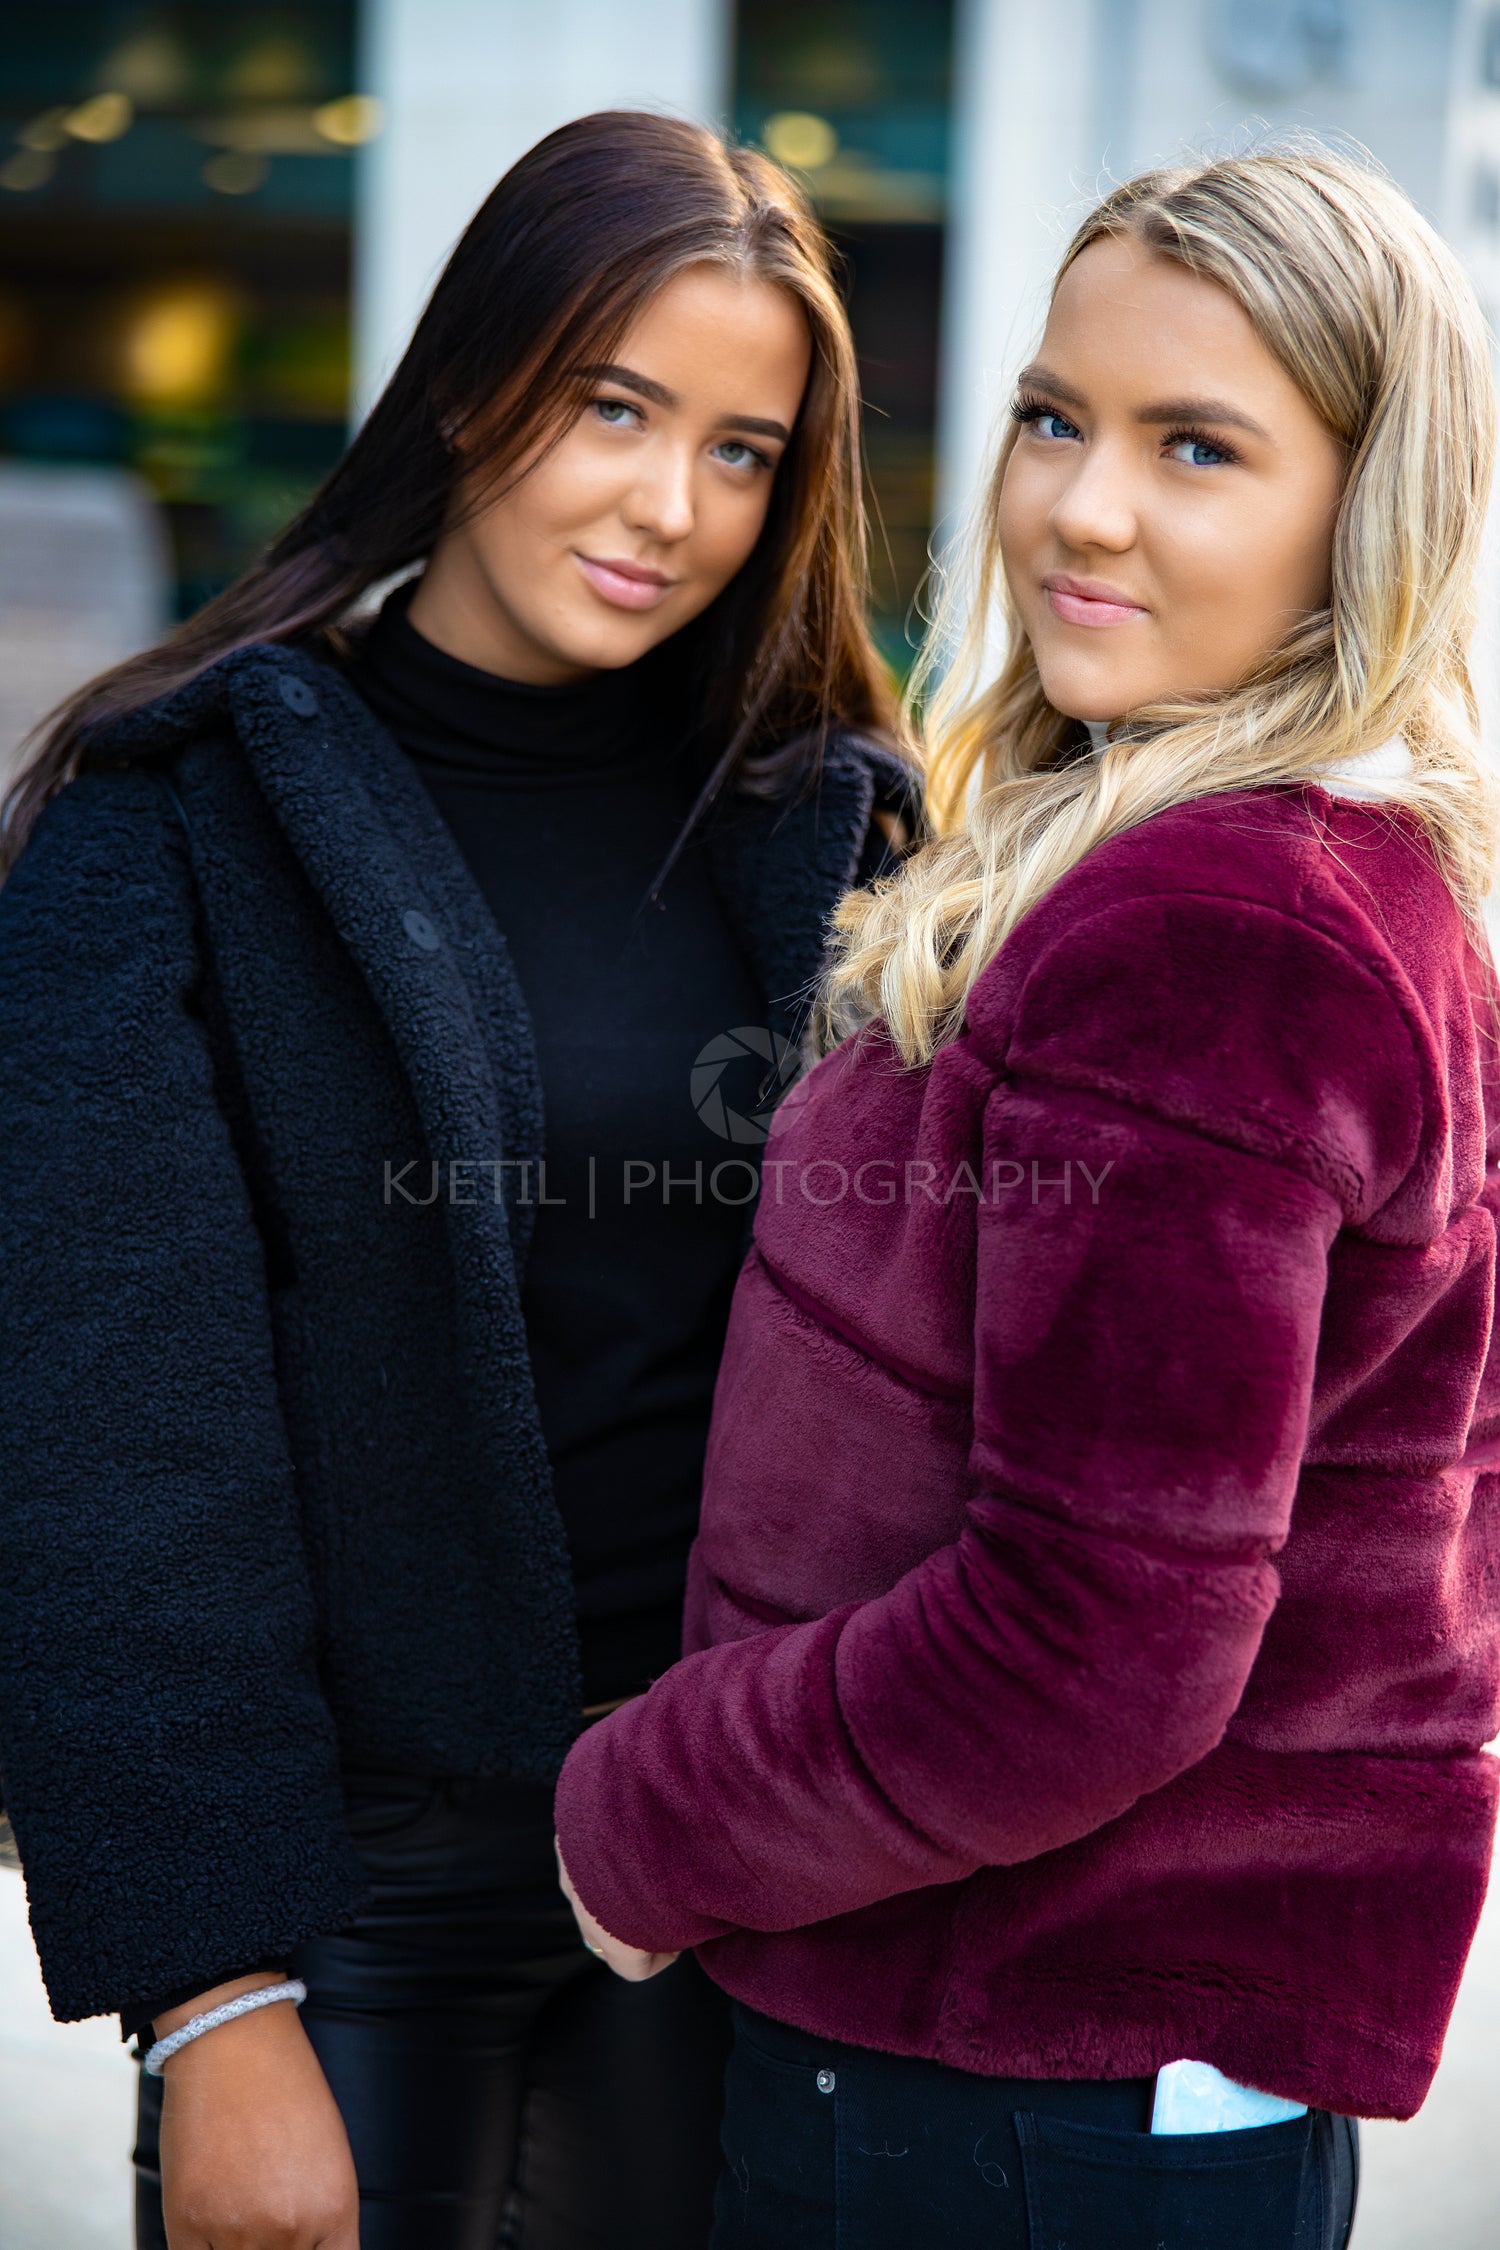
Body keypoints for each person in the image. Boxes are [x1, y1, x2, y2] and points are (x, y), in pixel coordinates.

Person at [552, 145, 1500, 2249]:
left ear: (1367, 514)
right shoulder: (1308, 872)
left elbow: (1099, 1638)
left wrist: (644, 1816)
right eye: (1056, 417)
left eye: (1199, 447)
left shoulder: (1227, 932)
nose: (1082, 506)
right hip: (1056, 2073)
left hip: (1010, 2089)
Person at [0, 111, 908, 2250]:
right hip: (349, 1889)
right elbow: (111, 1442)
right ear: (480, 375)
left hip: (740, 1863)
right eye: (616, 407)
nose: (669, 507)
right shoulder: (175, 819)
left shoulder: (840, 845)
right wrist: (208, 2006)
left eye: (742, 451)